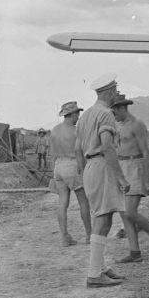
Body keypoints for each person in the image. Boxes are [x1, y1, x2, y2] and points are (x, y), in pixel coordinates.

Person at [75, 73, 130, 288]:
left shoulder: (86, 115)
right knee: (104, 218)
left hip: (91, 166)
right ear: (108, 91)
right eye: (115, 89)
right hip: (102, 165)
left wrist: (84, 172)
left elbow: (77, 149)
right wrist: (121, 177)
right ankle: (94, 274)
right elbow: (107, 147)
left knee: (101, 214)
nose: (117, 93)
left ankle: (101, 267)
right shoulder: (106, 114)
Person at [111, 93, 149, 262]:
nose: (114, 115)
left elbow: (146, 153)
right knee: (124, 214)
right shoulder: (118, 126)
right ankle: (135, 253)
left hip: (135, 168)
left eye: (115, 111)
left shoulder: (137, 125)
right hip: (121, 169)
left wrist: (148, 179)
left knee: (130, 212)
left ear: (122, 108)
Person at [50, 101, 92, 247]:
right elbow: (79, 152)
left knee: (62, 203)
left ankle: (64, 237)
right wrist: (84, 169)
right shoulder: (76, 130)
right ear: (71, 114)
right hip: (72, 165)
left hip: (58, 166)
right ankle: (89, 235)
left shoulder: (54, 130)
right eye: (77, 113)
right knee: (83, 202)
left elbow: (52, 154)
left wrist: (52, 174)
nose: (78, 116)